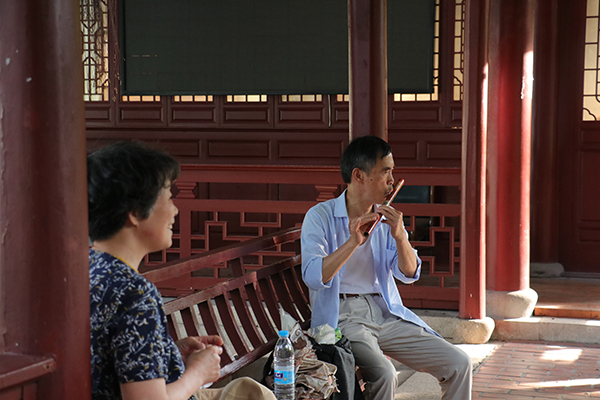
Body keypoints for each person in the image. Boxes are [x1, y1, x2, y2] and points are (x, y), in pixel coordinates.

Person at [88, 141, 276, 400]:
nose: (175, 210)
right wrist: (198, 374)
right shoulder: (135, 293)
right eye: (168, 197)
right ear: (135, 212)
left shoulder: (85, 269)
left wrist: (168, 353)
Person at [301, 135, 472, 400]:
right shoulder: (320, 217)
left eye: (392, 172)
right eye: (385, 172)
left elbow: (409, 274)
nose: (392, 180)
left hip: (385, 312)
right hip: (344, 317)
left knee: (460, 363)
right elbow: (313, 276)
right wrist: (352, 242)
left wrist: (401, 237)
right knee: (385, 374)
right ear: (359, 175)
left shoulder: (385, 218)